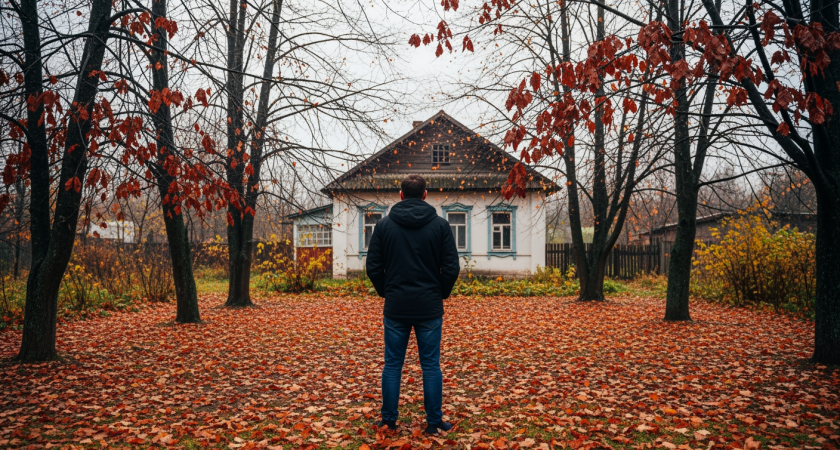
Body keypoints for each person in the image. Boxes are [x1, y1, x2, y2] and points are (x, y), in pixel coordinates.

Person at [365, 174, 461, 435]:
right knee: (430, 365)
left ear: (401, 194)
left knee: (392, 364)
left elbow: (373, 267)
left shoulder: (383, 226)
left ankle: (388, 422)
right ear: (425, 194)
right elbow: (451, 268)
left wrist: (388, 291)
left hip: (396, 306)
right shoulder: (441, 226)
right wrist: (438, 292)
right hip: (429, 306)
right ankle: (433, 423)